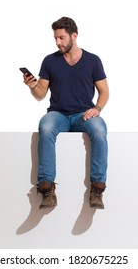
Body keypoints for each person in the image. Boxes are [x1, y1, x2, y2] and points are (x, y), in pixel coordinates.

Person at [23, 16, 109, 210]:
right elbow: (40, 94)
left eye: (61, 38)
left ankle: (97, 188)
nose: (58, 42)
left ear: (74, 36)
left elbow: (104, 91)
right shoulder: (50, 61)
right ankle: (47, 189)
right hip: (58, 114)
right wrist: (32, 86)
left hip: (83, 114)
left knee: (99, 129)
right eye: (55, 38)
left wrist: (97, 108)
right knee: (45, 126)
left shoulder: (93, 60)